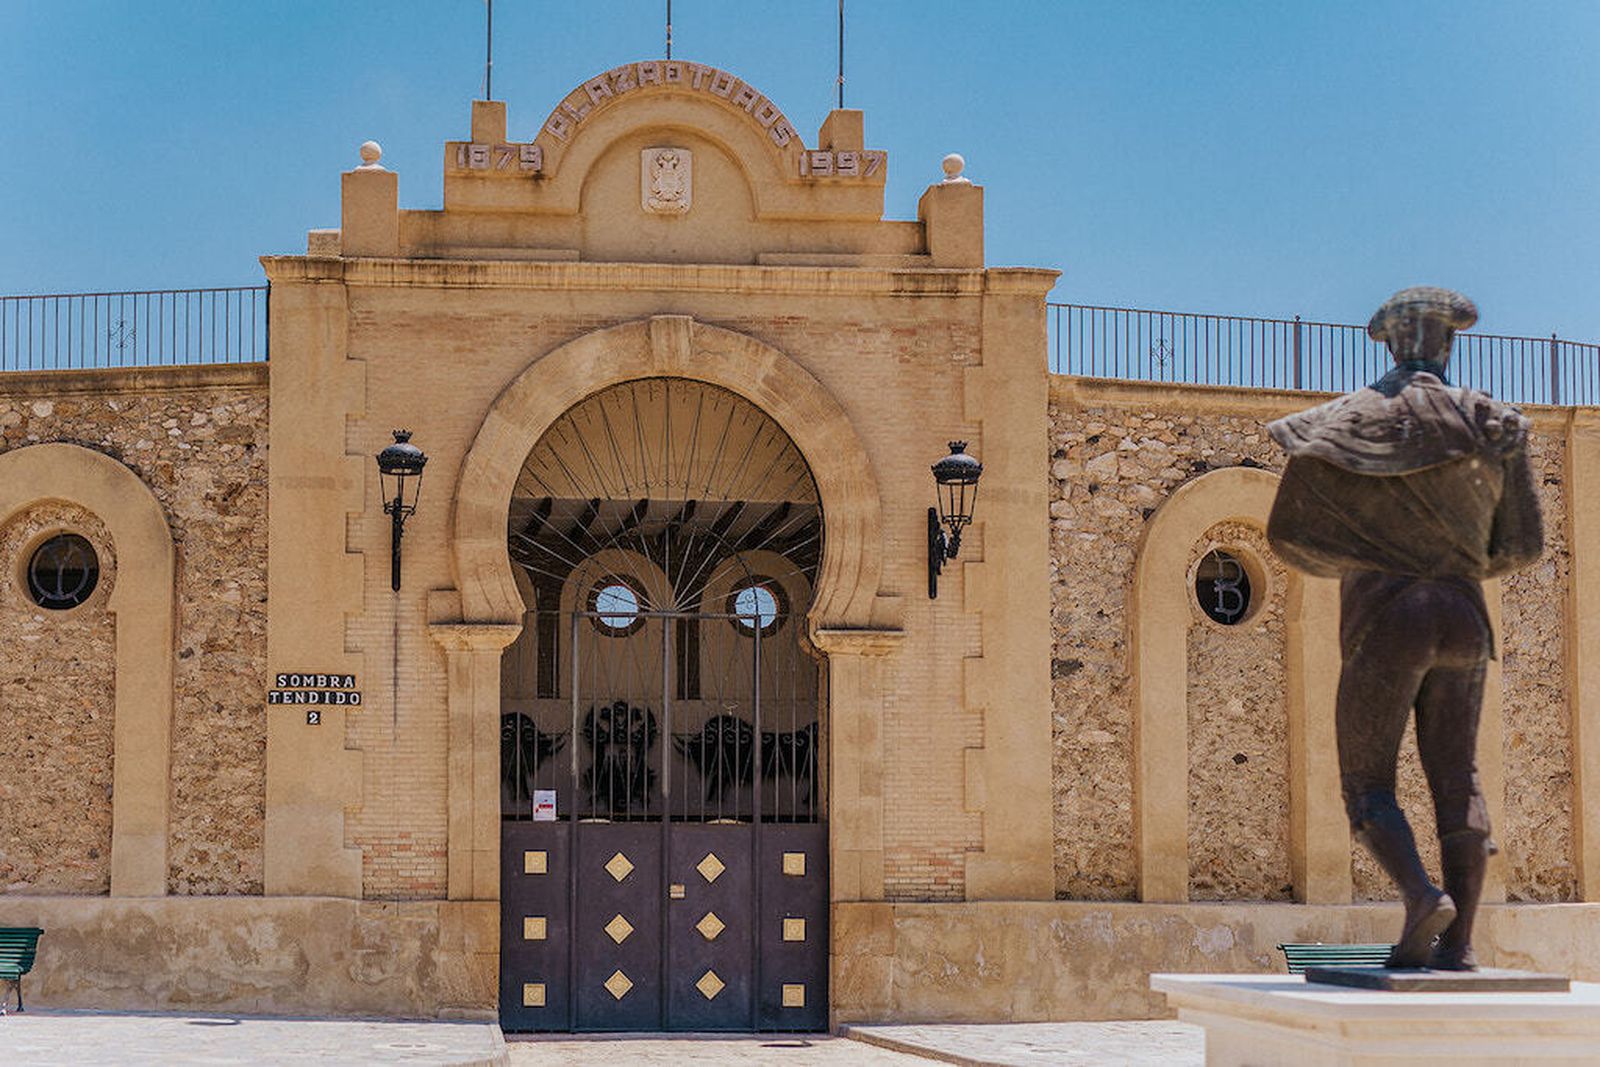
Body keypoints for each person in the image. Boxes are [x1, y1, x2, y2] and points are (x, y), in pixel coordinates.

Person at [1266, 286, 1543, 969]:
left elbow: (1290, 538)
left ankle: (1422, 895)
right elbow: (1522, 546)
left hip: (1387, 617)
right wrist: (1453, 555)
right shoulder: (1496, 425)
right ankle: (1463, 944)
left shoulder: (1339, 423)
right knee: (1461, 778)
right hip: (1464, 616)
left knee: (1367, 785)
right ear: (1449, 342)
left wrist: (1363, 550)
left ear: (1390, 341)